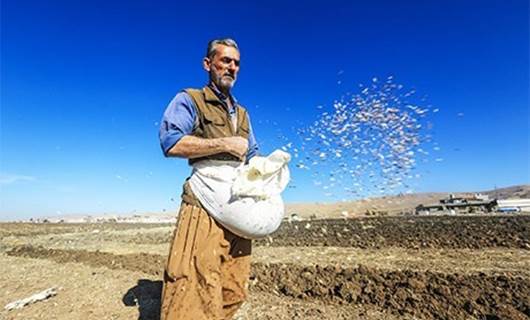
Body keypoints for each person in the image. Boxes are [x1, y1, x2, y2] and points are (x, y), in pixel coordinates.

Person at [158, 38, 258, 320]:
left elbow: (252, 157)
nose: (232, 67)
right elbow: (171, 142)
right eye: (225, 60)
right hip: (202, 204)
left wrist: (269, 172)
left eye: (236, 63)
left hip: (236, 206)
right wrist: (224, 144)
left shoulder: (242, 114)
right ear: (208, 64)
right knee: (194, 283)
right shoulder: (190, 99)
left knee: (233, 287)